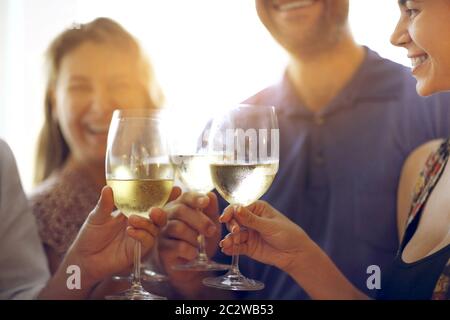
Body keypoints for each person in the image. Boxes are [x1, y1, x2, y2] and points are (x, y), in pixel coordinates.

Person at [156, 0, 450, 299]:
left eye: (412, 10)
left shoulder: (437, 102)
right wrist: (190, 280)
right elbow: (222, 297)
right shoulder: (227, 131)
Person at [30, 17, 164, 273]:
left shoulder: (173, 199)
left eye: (119, 85)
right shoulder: (36, 219)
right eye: (80, 87)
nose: (101, 105)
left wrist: (188, 276)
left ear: (146, 96)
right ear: (54, 103)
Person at [0, 139, 167, 299]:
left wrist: (83, 268)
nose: (100, 109)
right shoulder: (51, 210)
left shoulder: (2, 156)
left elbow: (19, 293)